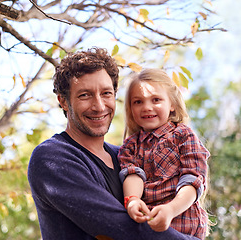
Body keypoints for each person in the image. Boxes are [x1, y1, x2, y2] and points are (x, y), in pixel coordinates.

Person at [27, 47, 199, 240]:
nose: (99, 106)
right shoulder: (52, 158)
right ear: (64, 102)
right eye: (85, 95)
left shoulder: (128, 155)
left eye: (106, 93)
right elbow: (121, 229)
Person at [118, 68, 210, 239]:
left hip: (184, 227)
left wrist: (171, 209)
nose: (147, 107)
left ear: (172, 104)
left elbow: (193, 180)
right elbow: (132, 173)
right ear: (130, 108)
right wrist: (132, 201)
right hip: (147, 229)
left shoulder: (183, 135)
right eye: (138, 102)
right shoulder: (130, 146)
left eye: (156, 100)